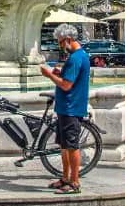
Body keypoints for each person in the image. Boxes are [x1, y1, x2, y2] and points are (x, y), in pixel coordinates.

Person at [39, 23, 91, 195]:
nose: (60, 46)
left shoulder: (77, 57)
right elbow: (70, 78)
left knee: (71, 146)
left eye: (61, 42)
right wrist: (60, 72)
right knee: (64, 146)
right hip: (65, 108)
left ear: (68, 39)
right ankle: (65, 178)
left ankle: (74, 183)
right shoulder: (77, 56)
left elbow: (67, 86)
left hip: (71, 108)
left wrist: (50, 75)